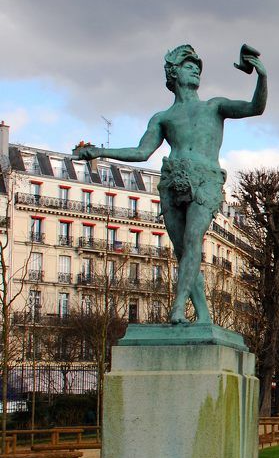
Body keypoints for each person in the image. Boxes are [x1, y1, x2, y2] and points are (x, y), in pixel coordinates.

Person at [74, 44, 267, 325]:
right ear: (174, 74)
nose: (196, 72)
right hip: (172, 182)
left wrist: (262, 77)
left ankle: (177, 308)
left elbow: (255, 108)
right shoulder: (163, 118)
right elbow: (141, 153)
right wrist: (101, 152)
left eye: (198, 68)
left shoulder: (214, 107)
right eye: (190, 67)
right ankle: (203, 317)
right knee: (183, 252)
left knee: (192, 243)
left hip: (205, 181)